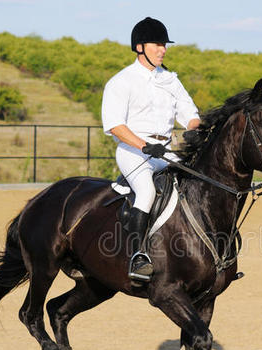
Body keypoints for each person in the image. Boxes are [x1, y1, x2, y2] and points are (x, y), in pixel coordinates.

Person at [101, 17, 200, 282]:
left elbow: (190, 115)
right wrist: (145, 145)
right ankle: (137, 256)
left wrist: (194, 129)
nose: (163, 49)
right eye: (157, 44)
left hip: (166, 151)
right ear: (139, 47)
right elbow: (115, 126)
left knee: (196, 183)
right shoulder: (121, 81)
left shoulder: (170, 80)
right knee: (145, 192)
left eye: (164, 45)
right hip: (134, 152)